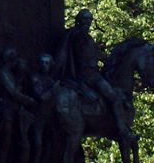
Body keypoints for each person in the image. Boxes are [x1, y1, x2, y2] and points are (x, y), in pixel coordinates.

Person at [54, 9, 132, 142]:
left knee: (115, 95)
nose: (88, 23)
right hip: (87, 78)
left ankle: (120, 128)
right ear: (78, 20)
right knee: (114, 97)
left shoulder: (86, 37)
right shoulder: (76, 36)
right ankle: (123, 131)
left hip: (94, 74)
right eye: (85, 19)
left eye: (89, 20)